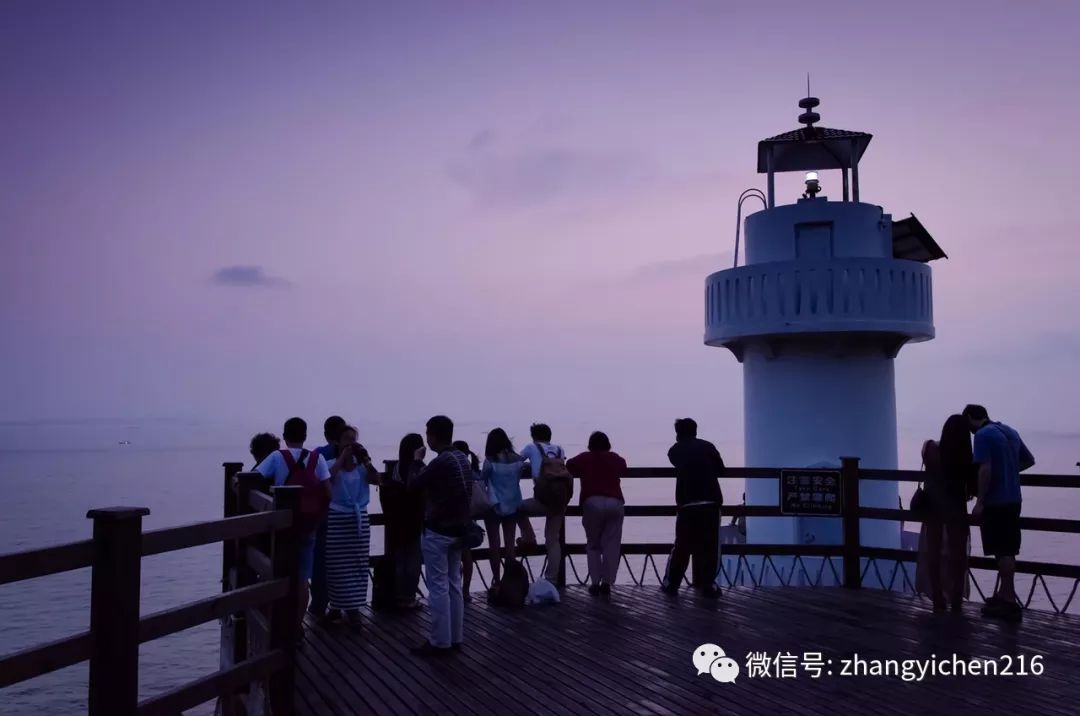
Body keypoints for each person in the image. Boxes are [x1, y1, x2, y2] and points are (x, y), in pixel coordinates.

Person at [254, 417, 331, 628]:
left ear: (285, 436)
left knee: (278, 573)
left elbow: (254, 477)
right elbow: (328, 491)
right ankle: (297, 626)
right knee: (302, 578)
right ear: (305, 436)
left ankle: (279, 625)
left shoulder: (277, 457)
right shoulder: (317, 459)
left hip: (284, 525)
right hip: (308, 525)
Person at [964, 404, 1035, 621]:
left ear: (969, 418)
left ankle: (1009, 601)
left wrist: (980, 502)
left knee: (1002, 551)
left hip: (996, 501)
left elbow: (984, 469)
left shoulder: (983, 436)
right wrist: (1009, 471)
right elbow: (1029, 460)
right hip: (1014, 498)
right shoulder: (1010, 431)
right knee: (1008, 549)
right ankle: (1005, 594)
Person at [410, 415, 472, 656]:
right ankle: (455, 638)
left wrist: (416, 462)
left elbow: (414, 484)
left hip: (438, 530)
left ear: (433, 435)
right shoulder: (461, 458)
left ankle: (439, 642)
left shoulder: (441, 461)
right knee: (454, 584)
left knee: (438, 587)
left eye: (428, 433)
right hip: (459, 530)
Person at [916, 414, 974, 612]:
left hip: (933, 507)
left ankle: (937, 597)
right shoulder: (964, 455)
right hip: (956, 508)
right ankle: (956, 598)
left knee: (933, 551)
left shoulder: (930, 447)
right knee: (958, 555)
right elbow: (970, 485)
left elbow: (924, 454)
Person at [324, 425, 380, 627]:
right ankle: (336, 606)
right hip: (337, 518)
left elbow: (377, 480)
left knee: (357, 565)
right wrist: (342, 459)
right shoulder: (330, 463)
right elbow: (327, 478)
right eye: (346, 439)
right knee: (336, 566)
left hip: (358, 521)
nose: (350, 443)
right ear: (337, 442)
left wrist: (366, 460)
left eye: (353, 439)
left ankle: (355, 608)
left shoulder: (362, 467)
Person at [662, 418, 724, 597]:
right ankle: (707, 585)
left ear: (678, 433)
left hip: (687, 503)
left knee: (682, 545)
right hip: (710, 501)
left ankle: (672, 584)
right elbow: (721, 469)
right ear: (696, 431)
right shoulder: (708, 446)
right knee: (710, 545)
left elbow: (677, 463)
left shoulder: (674, 450)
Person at [567, 431, 626, 596]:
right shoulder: (615, 458)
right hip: (615, 501)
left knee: (593, 544)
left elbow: (569, 466)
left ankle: (594, 583)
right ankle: (607, 582)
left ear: (590, 444)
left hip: (592, 502)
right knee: (612, 544)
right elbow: (624, 467)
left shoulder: (584, 458)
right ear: (608, 444)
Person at [519, 423, 570, 585]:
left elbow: (516, 462)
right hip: (561, 501)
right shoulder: (560, 450)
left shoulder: (531, 447)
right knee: (552, 540)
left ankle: (529, 537)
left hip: (542, 500)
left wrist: (529, 466)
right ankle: (551, 580)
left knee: (516, 508)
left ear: (533, 437)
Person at [380, 433, 426, 610]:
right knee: (413, 557)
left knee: (400, 557)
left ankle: (398, 595)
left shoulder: (396, 468)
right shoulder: (418, 467)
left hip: (398, 518)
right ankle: (409, 597)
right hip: (414, 517)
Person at [309, 415, 346, 619]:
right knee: (344, 562)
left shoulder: (317, 454)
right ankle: (340, 604)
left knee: (321, 561)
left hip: (325, 514)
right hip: (348, 517)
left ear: (325, 433)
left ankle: (319, 604)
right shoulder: (352, 453)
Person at [481, 428, 524, 596]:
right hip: (513, 503)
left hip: (494, 505)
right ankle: (510, 580)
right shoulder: (518, 460)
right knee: (509, 544)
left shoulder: (490, 461)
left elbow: (483, 478)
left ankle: (496, 579)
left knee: (494, 544)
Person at [453, 440, 481, 600]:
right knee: (466, 553)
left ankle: (457, 588)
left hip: (458, 517)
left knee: (456, 554)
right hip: (471, 517)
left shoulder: (458, 470)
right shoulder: (474, 470)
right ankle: (466, 591)